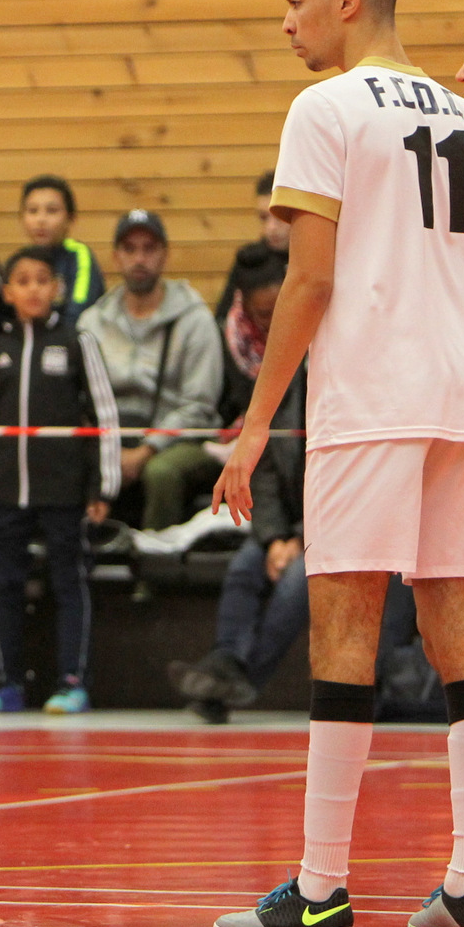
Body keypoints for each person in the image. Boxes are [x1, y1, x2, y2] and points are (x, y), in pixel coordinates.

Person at [210, 0, 464, 927]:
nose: (286, 22)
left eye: (294, 0)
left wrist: (254, 425)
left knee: (345, 629)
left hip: (366, 402)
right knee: (458, 627)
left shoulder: (325, 108)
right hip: (458, 404)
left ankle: (320, 889)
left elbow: (308, 280)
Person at [0, 248, 120, 715]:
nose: (33, 289)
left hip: (64, 491)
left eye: (42, 280)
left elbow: (104, 417)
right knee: (3, 584)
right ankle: (5, 684)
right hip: (6, 492)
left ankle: (72, 681)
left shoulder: (77, 342)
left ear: (58, 289)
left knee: (68, 582)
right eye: (23, 281)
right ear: (8, 293)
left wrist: (102, 487)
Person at [170, 252, 307, 724]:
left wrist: (300, 537)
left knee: (296, 585)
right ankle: (226, 662)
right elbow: (263, 467)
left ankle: (234, 681)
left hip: (330, 526)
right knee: (246, 567)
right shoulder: (273, 377)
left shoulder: (324, 368)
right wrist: (274, 536)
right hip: (285, 523)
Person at [78, 209, 224, 529]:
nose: (139, 259)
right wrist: (108, 451)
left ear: (164, 255)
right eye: (130, 249)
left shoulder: (195, 319)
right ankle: (77, 554)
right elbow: (79, 400)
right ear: (116, 257)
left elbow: (199, 406)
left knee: (161, 473)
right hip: (109, 440)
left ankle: (156, 558)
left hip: (180, 440)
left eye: (149, 249)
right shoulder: (92, 322)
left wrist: (147, 449)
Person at [17, 174, 103, 326]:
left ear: (70, 217)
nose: (41, 219)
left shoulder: (80, 256)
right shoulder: (20, 260)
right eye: (33, 211)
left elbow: (80, 310)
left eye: (52, 211)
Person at [216, 169, 291, 320]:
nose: (271, 227)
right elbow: (223, 319)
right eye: (264, 218)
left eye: (279, 217)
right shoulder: (249, 261)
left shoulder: (318, 257)